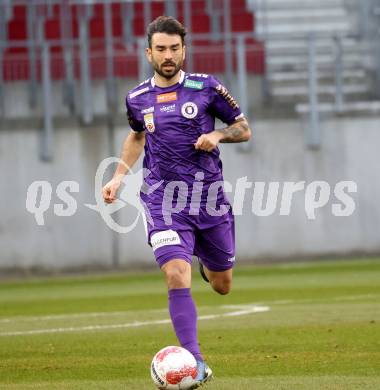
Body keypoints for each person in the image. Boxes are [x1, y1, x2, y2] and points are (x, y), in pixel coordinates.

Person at [102, 16, 251, 388]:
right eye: (161, 49)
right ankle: (195, 361)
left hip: (209, 198)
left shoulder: (207, 88)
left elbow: (243, 129)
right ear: (148, 52)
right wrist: (119, 174)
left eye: (174, 49)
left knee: (222, 285)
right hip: (162, 199)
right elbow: (136, 137)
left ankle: (205, 263)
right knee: (174, 273)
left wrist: (218, 134)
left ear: (183, 50)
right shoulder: (137, 98)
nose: (168, 56)